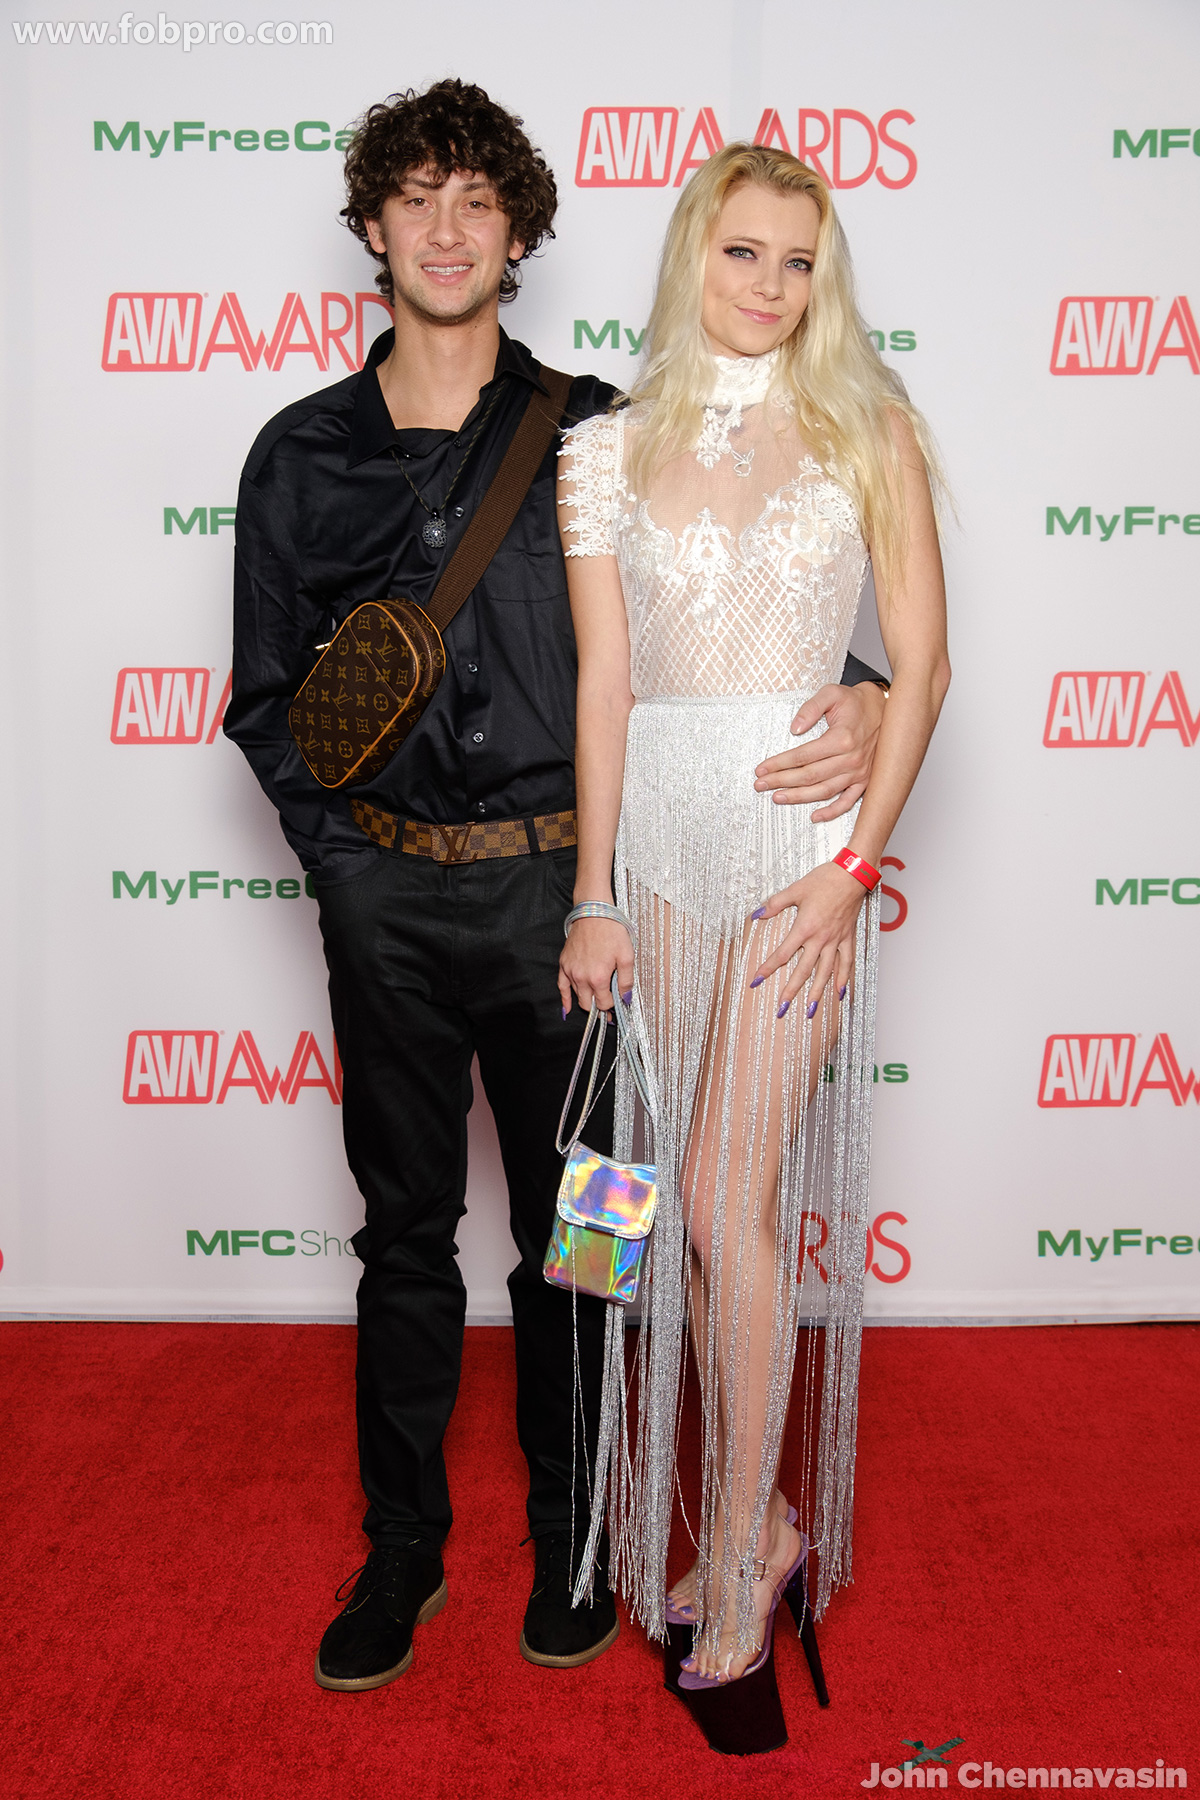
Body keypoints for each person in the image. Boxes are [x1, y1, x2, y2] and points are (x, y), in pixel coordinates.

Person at [226, 83, 889, 1694]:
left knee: (591, 1236)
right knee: (403, 1231)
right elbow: (265, 703)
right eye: (417, 198)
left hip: (579, 907)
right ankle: (403, 1550)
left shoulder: (604, 431)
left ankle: (578, 1538)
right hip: (392, 908)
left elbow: (741, 602)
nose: (447, 230)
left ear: (519, 230)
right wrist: (352, 873)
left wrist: (871, 693)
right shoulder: (299, 455)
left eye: (478, 200)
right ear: (372, 226)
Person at [558, 143, 949, 1753]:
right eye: (744, 252)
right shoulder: (602, 449)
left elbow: (923, 666)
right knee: (640, 1198)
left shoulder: (870, 427)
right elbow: (604, 683)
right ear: (691, 256)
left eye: (800, 261)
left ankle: (737, 1556)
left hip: (799, 862)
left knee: (727, 1199)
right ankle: (742, 1522)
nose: (771, 285)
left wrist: (855, 871)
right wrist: (590, 892)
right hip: (652, 849)